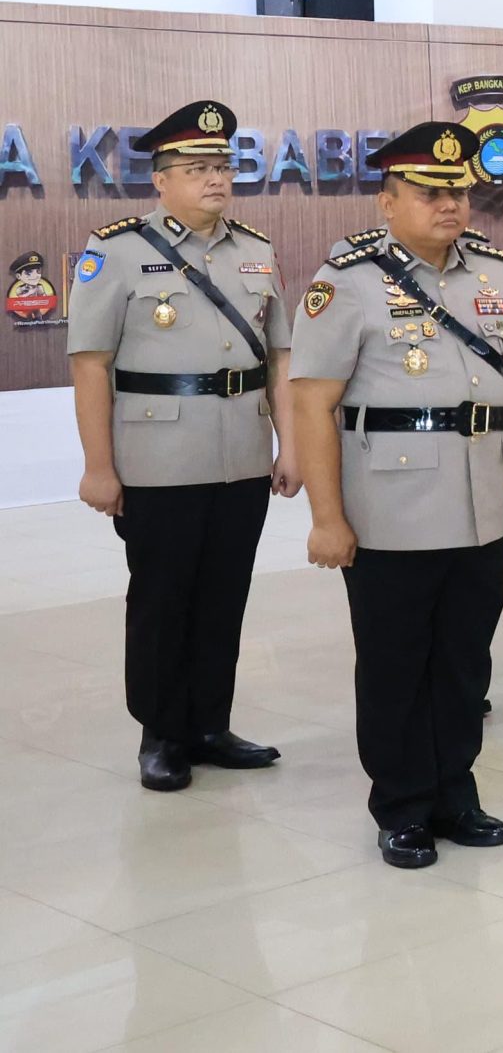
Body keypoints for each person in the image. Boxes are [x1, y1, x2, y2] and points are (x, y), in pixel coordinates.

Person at [292, 121, 503, 869]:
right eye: (430, 193)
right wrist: (327, 518)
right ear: (387, 200)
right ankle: (401, 805)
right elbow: (312, 404)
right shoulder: (347, 281)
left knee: (465, 661)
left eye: (458, 191)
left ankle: (455, 793)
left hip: (479, 502)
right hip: (390, 510)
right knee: (396, 663)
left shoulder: (492, 272)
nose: (450, 204)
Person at [69, 99, 296, 793]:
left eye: (222, 165)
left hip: (242, 453)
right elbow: (90, 364)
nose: (216, 178)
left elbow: (280, 354)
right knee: (163, 599)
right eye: (197, 168)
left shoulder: (255, 250)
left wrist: (290, 446)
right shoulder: (116, 251)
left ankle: (209, 725)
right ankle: (162, 733)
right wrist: (99, 466)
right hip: (158, 457)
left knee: (225, 595)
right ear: (160, 179)